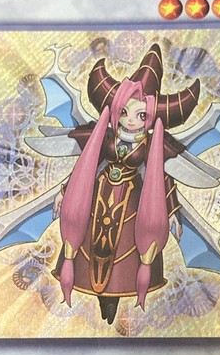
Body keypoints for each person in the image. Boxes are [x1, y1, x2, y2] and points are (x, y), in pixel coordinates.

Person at [52, 44, 199, 324]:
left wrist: (171, 211)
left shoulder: (152, 145)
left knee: (125, 254)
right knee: (90, 246)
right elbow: (85, 166)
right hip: (96, 196)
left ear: (151, 118)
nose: (131, 121)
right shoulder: (105, 137)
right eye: (125, 112)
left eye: (141, 115)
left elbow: (163, 178)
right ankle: (97, 294)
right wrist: (64, 192)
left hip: (135, 203)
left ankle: (115, 297)